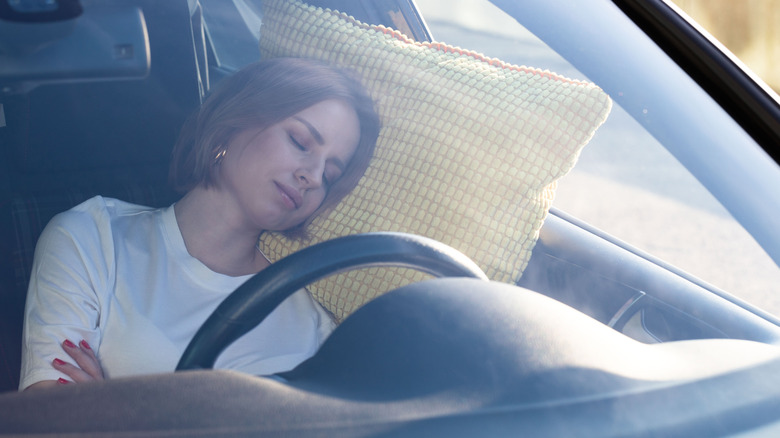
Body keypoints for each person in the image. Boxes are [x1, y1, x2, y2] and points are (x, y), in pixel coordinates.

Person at [19, 57, 380, 391]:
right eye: (299, 141)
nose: (313, 176)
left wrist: (112, 417)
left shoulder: (314, 324)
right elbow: (52, 421)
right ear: (235, 120)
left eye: (331, 174)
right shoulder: (92, 237)